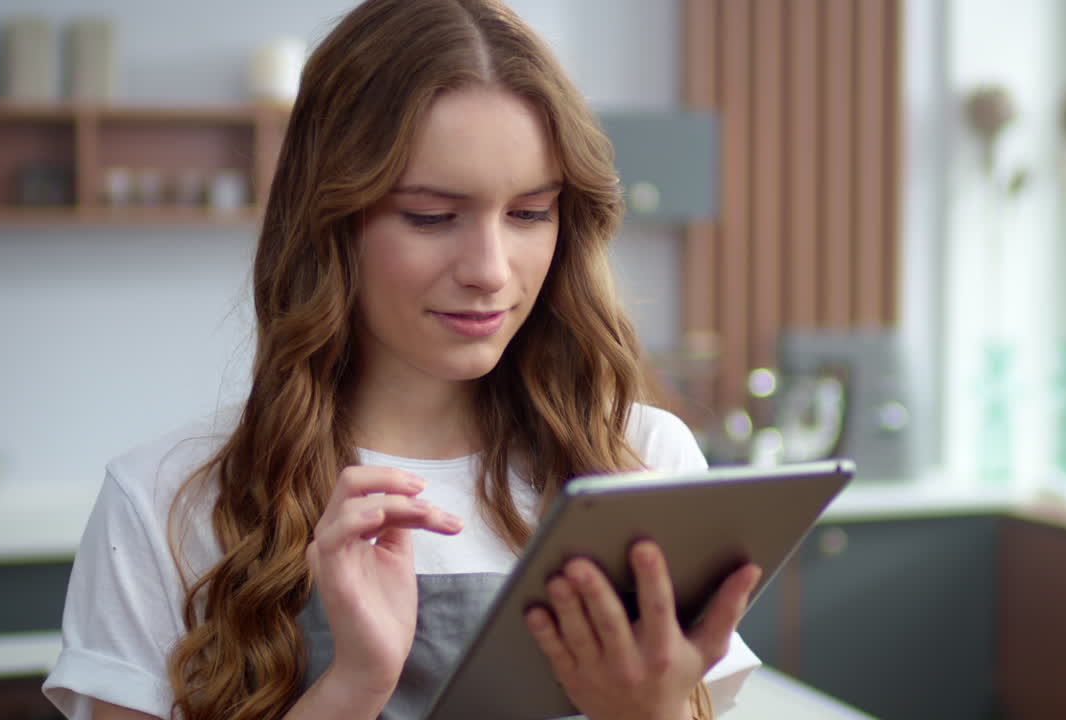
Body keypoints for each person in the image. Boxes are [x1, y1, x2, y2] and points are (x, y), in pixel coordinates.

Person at [42, 0, 762, 718]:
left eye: (529, 213)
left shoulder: (638, 464)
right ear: (328, 222)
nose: (489, 268)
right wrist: (354, 686)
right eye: (430, 216)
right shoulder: (169, 503)